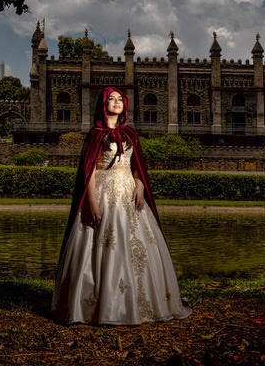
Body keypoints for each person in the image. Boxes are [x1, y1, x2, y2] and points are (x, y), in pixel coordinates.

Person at [51, 87, 191, 325]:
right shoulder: (95, 135)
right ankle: (99, 306)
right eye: (111, 98)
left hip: (128, 192)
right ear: (103, 104)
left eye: (120, 99)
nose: (117, 102)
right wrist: (92, 201)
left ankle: (138, 303)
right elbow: (90, 171)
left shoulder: (130, 134)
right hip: (103, 192)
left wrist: (140, 186)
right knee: (100, 243)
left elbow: (137, 166)